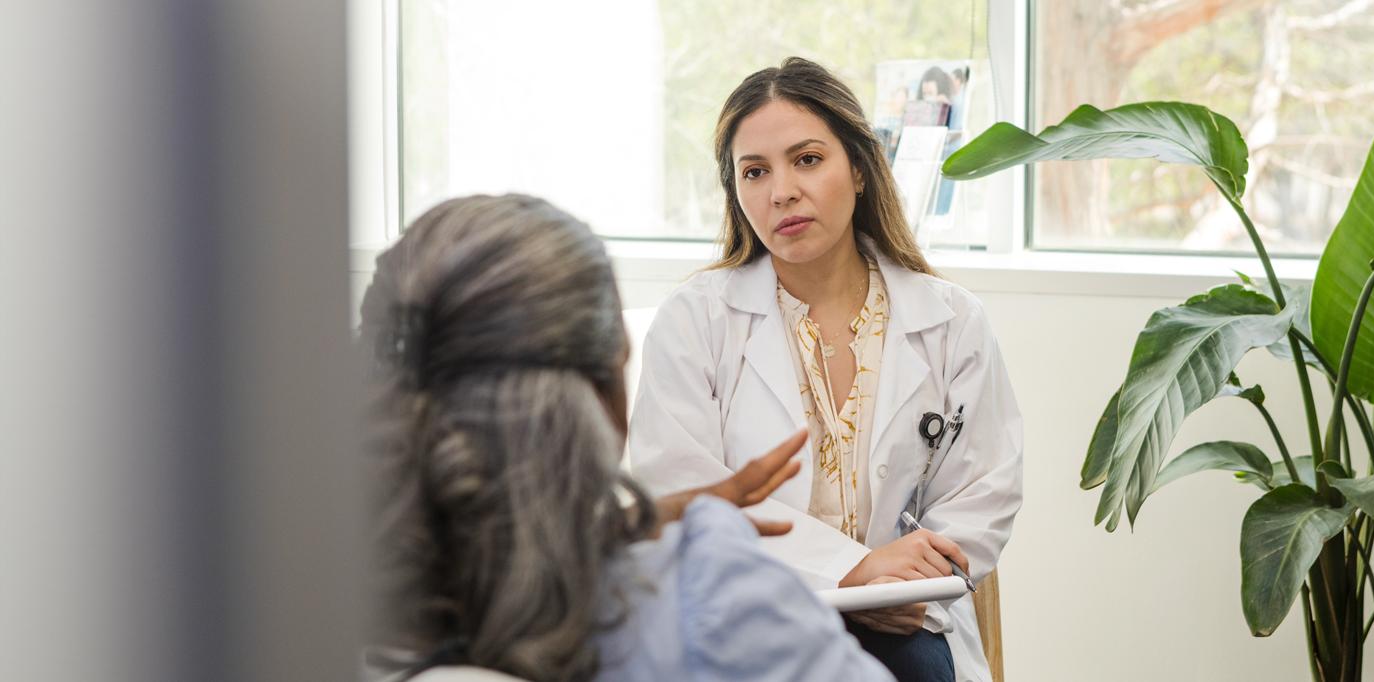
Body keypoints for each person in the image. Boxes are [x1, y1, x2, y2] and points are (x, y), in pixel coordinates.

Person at [358, 194, 894, 682]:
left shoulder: (310, 599)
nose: (783, 192)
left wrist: (614, 526)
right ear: (607, 389)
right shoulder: (707, 598)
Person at [628, 57, 1023, 682]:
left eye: (807, 159)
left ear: (860, 170)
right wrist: (852, 571)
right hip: (751, 611)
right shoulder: (694, 320)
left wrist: (914, 583)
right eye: (754, 172)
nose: (781, 190)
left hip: (908, 620)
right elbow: (681, 496)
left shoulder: (950, 320)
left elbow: (985, 489)